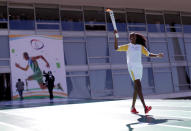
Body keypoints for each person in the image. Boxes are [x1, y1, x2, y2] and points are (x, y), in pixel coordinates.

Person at [114, 30, 164, 114]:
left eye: (133, 36)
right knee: (139, 87)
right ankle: (145, 107)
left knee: (136, 88)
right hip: (132, 68)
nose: (132, 38)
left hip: (139, 68)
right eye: (130, 37)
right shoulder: (127, 46)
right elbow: (116, 48)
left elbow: (148, 54)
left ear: (136, 37)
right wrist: (115, 37)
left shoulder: (140, 47)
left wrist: (157, 55)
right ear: (129, 38)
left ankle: (132, 107)